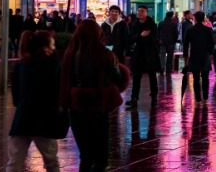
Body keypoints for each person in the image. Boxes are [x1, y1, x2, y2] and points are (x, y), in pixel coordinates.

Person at [60, 20, 128, 172]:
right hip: (99, 106)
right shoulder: (104, 54)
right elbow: (118, 80)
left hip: (76, 106)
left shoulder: (70, 54)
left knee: (85, 155)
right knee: (101, 157)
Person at [8, 31, 63, 172]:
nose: (54, 46)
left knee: (14, 163)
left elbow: (16, 94)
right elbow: (57, 89)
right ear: (45, 45)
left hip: (22, 118)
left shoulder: (22, 64)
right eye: (52, 43)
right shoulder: (52, 63)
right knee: (51, 162)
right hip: (44, 119)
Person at [125, 5, 160, 108]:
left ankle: (154, 96)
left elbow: (152, 39)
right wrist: (141, 35)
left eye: (142, 11)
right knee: (136, 76)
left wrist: (140, 38)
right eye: (139, 11)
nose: (139, 13)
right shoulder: (135, 24)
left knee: (152, 75)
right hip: (139, 53)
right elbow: (131, 38)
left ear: (146, 13)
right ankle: (134, 98)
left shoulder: (152, 25)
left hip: (150, 53)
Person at [183, 11, 215, 104]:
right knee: (205, 77)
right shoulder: (208, 30)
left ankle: (197, 97)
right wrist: (209, 52)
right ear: (203, 18)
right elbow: (212, 43)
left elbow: (186, 43)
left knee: (196, 78)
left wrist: (186, 55)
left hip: (194, 55)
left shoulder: (190, 30)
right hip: (205, 56)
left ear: (195, 19)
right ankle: (205, 96)